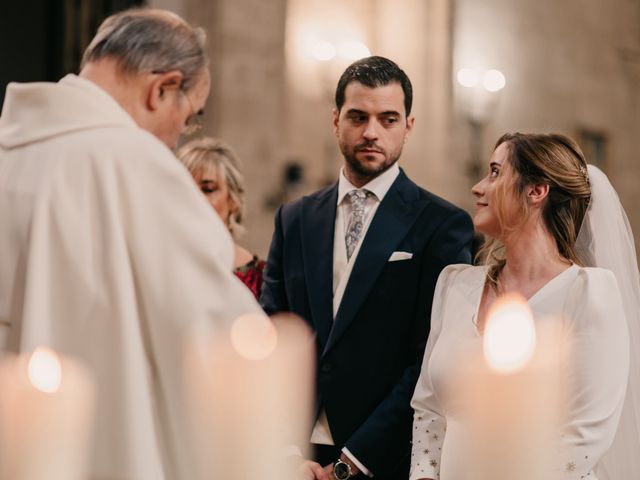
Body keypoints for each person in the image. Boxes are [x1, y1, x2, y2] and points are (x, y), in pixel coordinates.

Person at [0, 8, 263, 480]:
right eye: (188, 117)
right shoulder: (134, 163)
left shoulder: (8, 149)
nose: (180, 135)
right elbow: (216, 336)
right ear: (161, 89)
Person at [261, 56, 474, 480]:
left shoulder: (442, 225)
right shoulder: (295, 218)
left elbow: (431, 356)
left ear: (408, 126)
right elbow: (271, 334)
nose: (371, 132)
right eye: (358, 117)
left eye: (388, 119)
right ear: (336, 120)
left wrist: (354, 461)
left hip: (380, 456)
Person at [410, 133, 640, 480]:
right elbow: (428, 408)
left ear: (536, 191)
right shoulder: (456, 284)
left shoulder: (588, 293)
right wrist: (425, 475)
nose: (477, 187)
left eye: (494, 173)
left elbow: (585, 437)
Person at [178, 137, 266, 298]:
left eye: (208, 189)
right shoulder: (162, 267)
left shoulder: (261, 279)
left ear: (233, 199)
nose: (196, 198)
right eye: (187, 187)